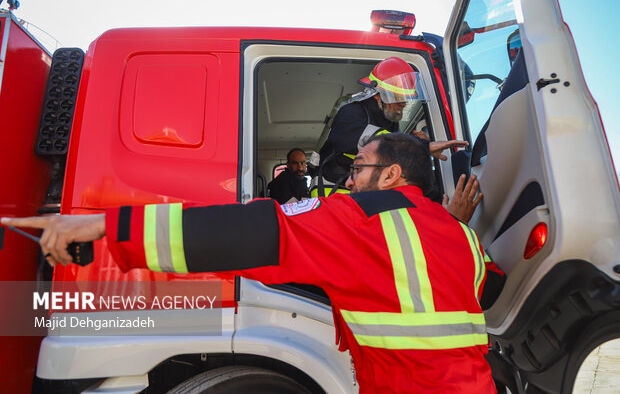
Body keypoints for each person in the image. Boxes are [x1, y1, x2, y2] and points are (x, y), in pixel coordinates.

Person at [1, 133, 496, 393]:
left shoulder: (358, 220)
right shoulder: (461, 235)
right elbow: (488, 292)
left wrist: (108, 226)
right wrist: (456, 220)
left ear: (389, 174)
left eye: (357, 168)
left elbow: (244, 233)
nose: (346, 180)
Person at [316, 56, 441, 195]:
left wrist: (412, 141)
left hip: (362, 189)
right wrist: (416, 145)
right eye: (397, 97)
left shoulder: (388, 120)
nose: (403, 103)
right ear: (376, 95)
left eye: (406, 97)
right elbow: (378, 142)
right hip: (334, 191)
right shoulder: (351, 112)